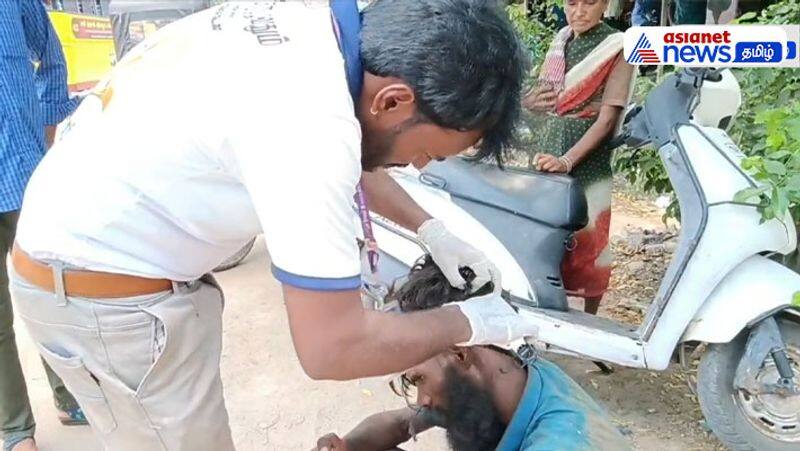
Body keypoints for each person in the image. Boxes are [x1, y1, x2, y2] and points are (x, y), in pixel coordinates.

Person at [9, 1, 537, 449]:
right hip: (102, 300)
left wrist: (429, 229)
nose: (418, 167)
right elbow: (331, 346)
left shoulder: (310, 33)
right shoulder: (309, 125)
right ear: (392, 100)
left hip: (83, 259)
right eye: (422, 152)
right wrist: (470, 322)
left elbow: (356, 147)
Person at [313, 256, 631, 451]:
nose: (422, 399)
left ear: (461, 355)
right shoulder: (506, 375)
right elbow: (399, 423)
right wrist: (348, 446)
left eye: (419, 378)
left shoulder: (562, 442)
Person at [0, 2, 86, 451]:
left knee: (52, 294)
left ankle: (70, 396)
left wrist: (48, 123)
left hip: (23, 171)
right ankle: (16, 430)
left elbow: (50, 54)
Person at [521, 0, 634, 315]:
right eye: (572, 3)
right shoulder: (560, 42)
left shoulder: (618, 47)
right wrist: (528, 103)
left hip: (587, 159)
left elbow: (607, 119)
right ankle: (544, 309)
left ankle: (590, 320)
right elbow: (542, 101)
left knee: (589, 238)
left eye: (590, 3)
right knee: (543, 234)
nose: (579, 11)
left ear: (606, 5)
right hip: (545, 149)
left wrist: (567, 162)